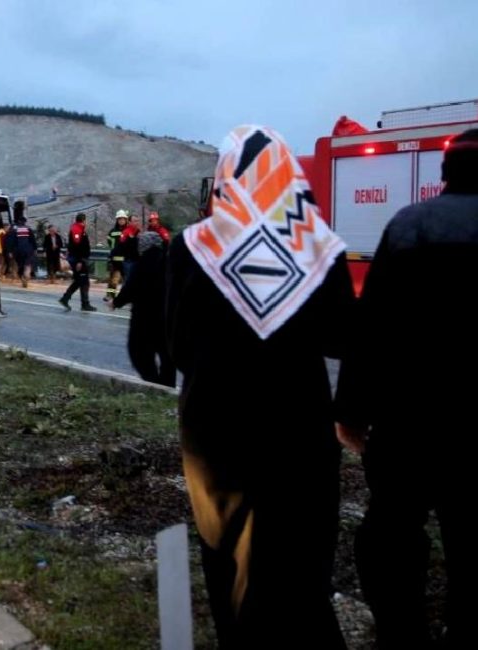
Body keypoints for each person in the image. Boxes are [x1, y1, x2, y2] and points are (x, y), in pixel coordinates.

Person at [166, 125, 353, 648]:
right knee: (301, 570)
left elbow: (178, 347)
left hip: (214, 432)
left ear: (226, 177)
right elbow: (341, 338)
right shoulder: (321, 248)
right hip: (299, 432)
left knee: (227, 562)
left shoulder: (191, 248)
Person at [334, 128, 478, 649]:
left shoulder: (408, 226)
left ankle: (401, 633)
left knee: (392, 532)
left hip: (409, 420)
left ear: (444, 173)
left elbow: (371, 328)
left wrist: (351, 411)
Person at [111, 231, 174, 386]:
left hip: (144, 316)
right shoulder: (170, 261)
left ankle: (153, 383)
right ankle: (167, 385)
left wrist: (116, 302)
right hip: (167, 316)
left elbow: (131, 287)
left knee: (138, 351)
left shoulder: (143, 263)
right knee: (166, 353)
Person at [58, 213, 97, 312]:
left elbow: (74, 246)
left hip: (79, 259)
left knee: (79, 281)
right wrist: (80, 261)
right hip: (79, 260)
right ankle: (84, 304)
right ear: (83, 220)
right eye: (86, 220)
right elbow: (77, 246)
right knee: (84, 282)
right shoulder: (77, 230)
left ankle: (66, 298)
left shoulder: (77, 229)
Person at [106, 210, 129, 300]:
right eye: (119, 219)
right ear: (117, 220)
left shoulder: (128, 230)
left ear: (126, 220)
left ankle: (125, 297)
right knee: (113, 280)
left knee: (127, 280)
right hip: (115, 259)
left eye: (123, 219)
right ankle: (111, 295)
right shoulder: (112, 231)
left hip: (125, 259)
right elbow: (110, 243)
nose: (121, 221)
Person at [11, 216, 36, 287]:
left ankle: (22, 277)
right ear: (25, 222)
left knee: (20, 265)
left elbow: (12, 242)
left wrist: (10, 251)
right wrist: (35, 249)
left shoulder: (15, 230)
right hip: (28, 250)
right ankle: (27, 275)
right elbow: (33, 240)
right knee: (27, 264)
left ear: (18, 222)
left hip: (18, 251)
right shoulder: (29, 230)